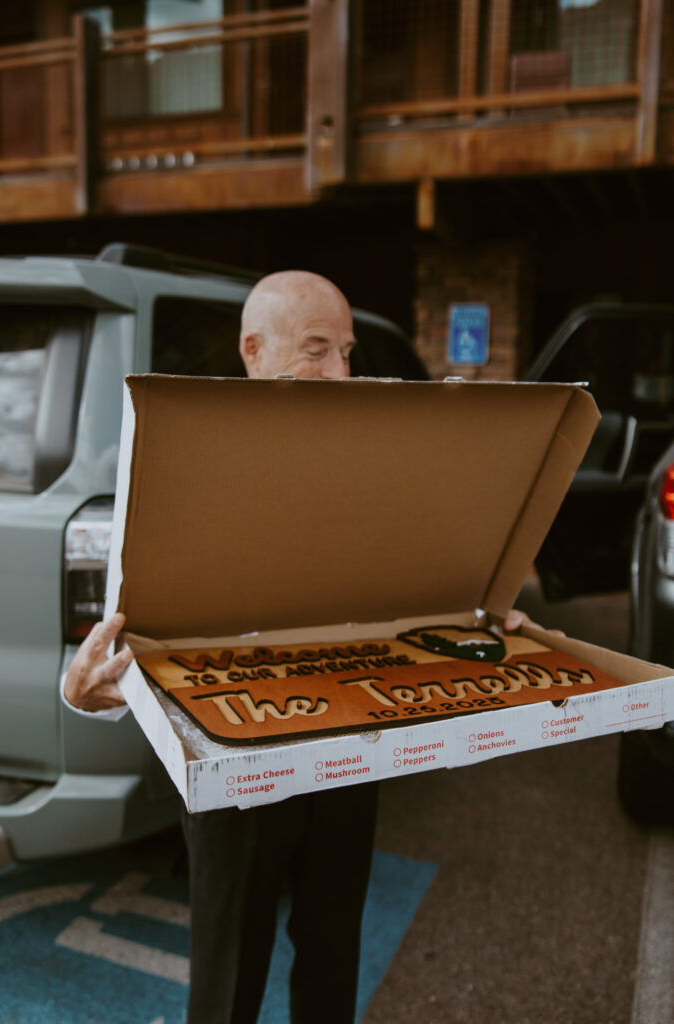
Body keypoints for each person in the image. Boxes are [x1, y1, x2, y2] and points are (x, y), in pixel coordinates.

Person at [63, 270, 547, 1024]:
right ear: (254, 352)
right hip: (235, 762)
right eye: (317, 350)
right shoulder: (183, 464)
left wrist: (478, 623)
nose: (342, 374)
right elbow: (135, 630)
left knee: (331, 959)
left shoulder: (371, 464)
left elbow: (409, 600)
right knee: (228, 976)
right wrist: (84, 690)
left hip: (348, 747)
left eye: (347, 352)